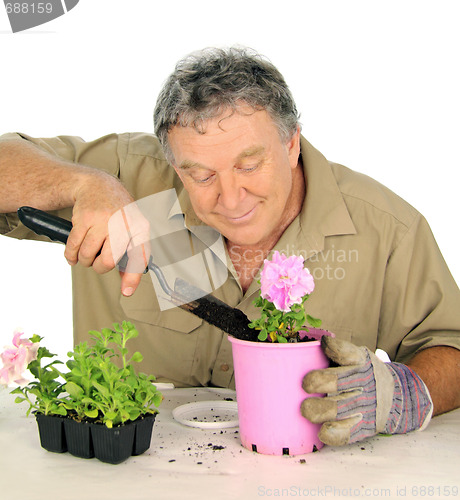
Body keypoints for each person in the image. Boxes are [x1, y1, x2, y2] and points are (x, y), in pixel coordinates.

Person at [1, 47, 459, 446]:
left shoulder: (388, 228)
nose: (231, 197)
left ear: (292, 143)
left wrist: (407, 393)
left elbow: (453, 347)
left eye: (250, 165)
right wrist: (83, 184)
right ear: (174, 163)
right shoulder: (130, 175)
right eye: (201, 175)